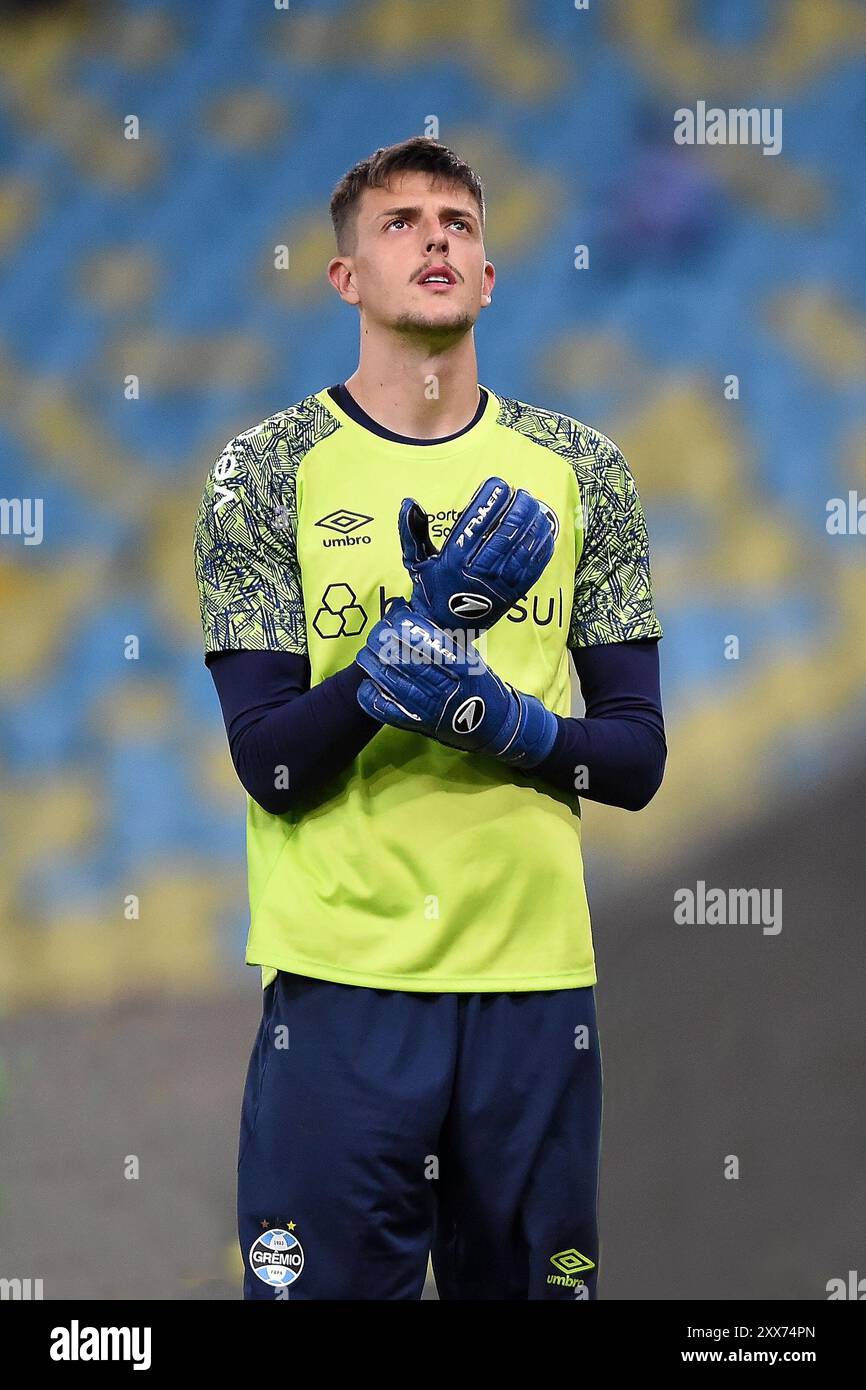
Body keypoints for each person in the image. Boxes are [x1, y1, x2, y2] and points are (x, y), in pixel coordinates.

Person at [193, 136, 666, 1300]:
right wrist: (403, 650)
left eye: (455, 221)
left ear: (490, 276)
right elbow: (271, 767)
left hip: (532, 986)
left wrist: (506, 723)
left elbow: (637, 757)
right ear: (344, 278)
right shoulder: (260, 471)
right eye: (399, 223)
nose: (435, 237)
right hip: (341, 990)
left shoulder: (582, 470)